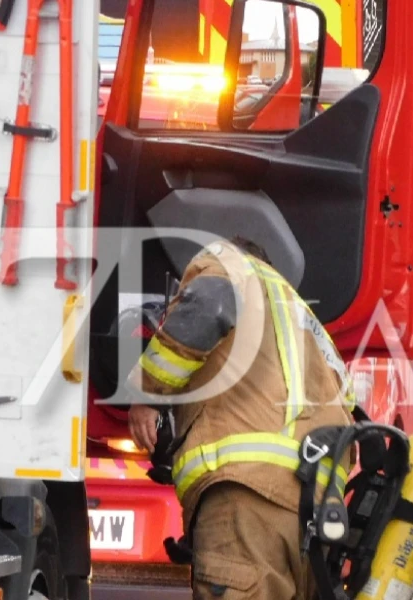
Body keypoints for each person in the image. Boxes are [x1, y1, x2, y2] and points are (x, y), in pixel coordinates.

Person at [125, 236, 354, 600]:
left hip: (245, 498)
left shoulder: (230, 263)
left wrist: (146, 394)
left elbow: (210, 306)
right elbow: (348, 400)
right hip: (318, 509)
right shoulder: (304, 318)